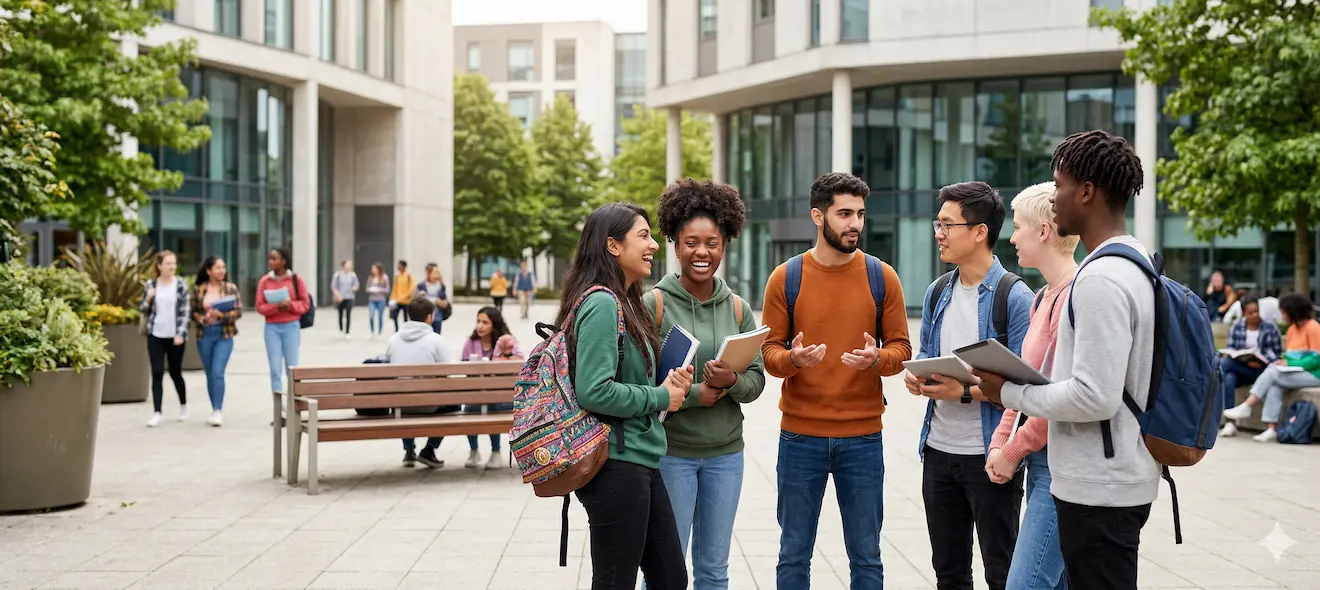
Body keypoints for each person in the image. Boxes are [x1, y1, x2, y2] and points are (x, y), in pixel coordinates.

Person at [977, 129, 1157, 590]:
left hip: (1100, 485)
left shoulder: (1098, 280)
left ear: (1087, 192)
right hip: (1106, 477)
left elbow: (1094, 396)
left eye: (1059, 185)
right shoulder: (1133, 260)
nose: (1054, 199)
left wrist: (1008, 392)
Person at [760, 172, 911, 589]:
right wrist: (794, 359)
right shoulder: (785, 278)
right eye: (844, 213)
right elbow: (769, 354)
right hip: (799, 438)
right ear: (817, 215)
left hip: (863, 439)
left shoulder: (882, 277)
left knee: (867, 560)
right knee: (793, 557)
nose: (855, 224)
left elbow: (901, 350)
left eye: (860, 214)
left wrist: (875, 359)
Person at [902, 181, 1033, 590]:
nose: (938, 233)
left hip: (991, 457)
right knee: (949, 574)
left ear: (979, 231)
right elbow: (927, 351)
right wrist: (918, 374)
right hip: (939, 452)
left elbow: (1025, 386)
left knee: (1002, 572)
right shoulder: (937, 291)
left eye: (947, 225)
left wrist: (960, 390)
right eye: (937, 224)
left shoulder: (1014, 297)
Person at [642, 179, 766, 590]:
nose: (702, 252)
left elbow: (757, 380)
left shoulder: (737, 307)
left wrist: (731, 381)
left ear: (724, 246)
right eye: (691, 242)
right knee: (666, 569)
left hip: (726, 456)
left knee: (714, 571)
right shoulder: (653, 304)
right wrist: (696, 394)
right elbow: (638, 383)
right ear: (675, 246)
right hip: (670, 454)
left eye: (712, 243)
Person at [561, 202, 691, 590]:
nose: (653, 244)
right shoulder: (601, 303)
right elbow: (593, 390)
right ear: (613, 246)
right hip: (615, 464)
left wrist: (669, 386)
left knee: (670, 578)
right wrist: (658, 397)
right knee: (616, 582)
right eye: (643, 235)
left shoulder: (625, 301)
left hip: (640, 459)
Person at [985, 182, 1078, 590]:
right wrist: (1001, 439)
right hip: (1040, 465)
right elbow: (1025, 380)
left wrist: (1015, 447)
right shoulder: (1043, 297)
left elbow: (1059, 395)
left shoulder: (1077, 295)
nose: (1012, 236)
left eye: (1019, 226)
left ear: (1043, 231)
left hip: (1064, 463)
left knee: (1024, 583)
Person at [1223, 292, 1320, 442]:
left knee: (1272, 372)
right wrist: (1282, 361)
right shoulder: (1292, 330)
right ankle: (1271, 428)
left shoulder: (1313, 327)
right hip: (1297, 372)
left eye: (1283, 312)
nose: (1281, 316)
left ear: (1293, 311)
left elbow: (1316, 359)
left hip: (1314, 374)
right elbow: (1290, 356)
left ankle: (1248, 405)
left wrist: (1289, 363)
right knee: (1275, 382)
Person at [380, 297, 452, 468]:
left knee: (404, 395)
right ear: (429, 317)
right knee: (452, 405)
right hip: (429, 405)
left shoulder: (394, 340)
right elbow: (446, 376)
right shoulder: (436, 340)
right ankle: (429, 449)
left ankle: (409, 450)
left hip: (400, 405)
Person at [459, 306, 523, 469]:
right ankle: (474, 450)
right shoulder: (470, 343)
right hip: (477, 395)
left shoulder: (506, 341)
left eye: (485, 322)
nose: (480, 326)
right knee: (469, 410)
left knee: (491, 405)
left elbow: (519, 363)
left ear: (494, 324)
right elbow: (464, 368)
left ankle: (496, 452)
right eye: (478, 321)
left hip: (501, 396)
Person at [1218, 295, 1284, 437]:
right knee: (1229, 378)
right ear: (1244, 313)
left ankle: (1209, 382)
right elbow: (1231, 350)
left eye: (1256, 311)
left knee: (1225, 365)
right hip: (1242, 369)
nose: (1255, 315)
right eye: (1251, 312)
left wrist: (1260, 359)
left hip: (1262, 371)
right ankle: (1230, 423)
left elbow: (1276, 354)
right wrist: (1246, 360)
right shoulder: (1237, 327)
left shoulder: (1270, 327)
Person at [140, 250, 191, 428]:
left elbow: (186, 312)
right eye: (168, 263)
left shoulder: (180, 285)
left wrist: (181, 334)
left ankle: (183, 405)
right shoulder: (151, 284)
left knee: (176, 373)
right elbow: (143, 309)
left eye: (174, 263)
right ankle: (157, 412)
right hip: (156, 334)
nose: (172, 267)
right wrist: (148, 298)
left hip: (175, 336)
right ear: (159, 266)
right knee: (157, 373)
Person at [191, 256, 242, 428]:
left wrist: (222, 316)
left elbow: (238, 311)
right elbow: (192, 312)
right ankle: (213, 407)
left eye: (223, 267)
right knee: (210, 372)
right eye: (218, 268)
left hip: (224, 335)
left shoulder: (230, 288)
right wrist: (203, 318)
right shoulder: (199, 290)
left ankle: (218, 410)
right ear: (209, 271)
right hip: (205, 335)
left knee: (218, 372)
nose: (221, 271)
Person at [255, 248, 311, 397]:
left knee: (292, 367)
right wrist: (276, 307)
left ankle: (294, 406)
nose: (270, 262)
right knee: (274, 368)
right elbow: (259, 306)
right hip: (271, 328)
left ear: (283, 261)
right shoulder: (265, 281)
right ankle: (278, 409)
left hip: (291, 326)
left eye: (274, 259)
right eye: (270, 259)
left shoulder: (295, 280)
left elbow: (305, 304)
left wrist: (290, 305)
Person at [416, 263, 451, 334]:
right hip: (424, 318)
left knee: (436, 336)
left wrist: (440, 302)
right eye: (435, 272)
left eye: (438, 272)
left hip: (437, 317)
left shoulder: (441, 286)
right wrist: (434, 300)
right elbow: (415, 300)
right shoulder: (421, 286)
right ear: (428, 273)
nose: (437, 274)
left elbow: (446, 302)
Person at [331, 260, 360, 339]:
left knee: (348, 313)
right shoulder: (338, 275)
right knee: (340, 313)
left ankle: (347, 331)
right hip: (340, 296)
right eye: (347, 264)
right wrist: (337, 295)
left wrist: (354, 288)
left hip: (349, 297)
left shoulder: (352, 275)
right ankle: (340, 326)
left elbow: (356, 284)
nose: (349, 266)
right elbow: (334, 286)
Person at [365, 262, 390, 339]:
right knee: (371, 316)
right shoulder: (371, 277)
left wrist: (379, 290)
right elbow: (367, 288)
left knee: (380, 316)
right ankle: (372, 332)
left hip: (381, 299)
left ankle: (379, 332)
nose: (373, 270)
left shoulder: (384, 277)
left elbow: (387, 289)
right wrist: (370, 290)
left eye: (374, 268)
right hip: (372, 299)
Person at [389, 260, 416, 332]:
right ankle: (396, 329)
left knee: (406, 317)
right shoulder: (397, 276)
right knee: (394, 316)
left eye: (399, 265)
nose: (398, 267)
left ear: (403, 266)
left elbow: (412, 288)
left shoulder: (409, 276)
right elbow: (394, 288)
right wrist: (392, 298)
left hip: (406, 301)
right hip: (397, 301)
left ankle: (406, 330)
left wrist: (406, 296)